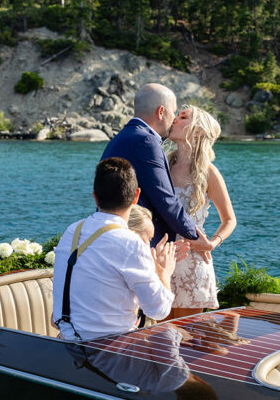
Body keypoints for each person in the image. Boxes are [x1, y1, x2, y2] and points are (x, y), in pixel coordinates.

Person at [51, 158, 177, 341]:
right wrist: (164, 273)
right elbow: (159, 310)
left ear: (95, 196)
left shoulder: (73, 231)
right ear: (136, 196)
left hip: (66, 345)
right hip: (110, 352)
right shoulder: (130, 243)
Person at [102, 83, 215, 255]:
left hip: (112, 235)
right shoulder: (147, 141)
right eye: (173, 112)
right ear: (161, 112)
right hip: (137, 242)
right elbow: (165, 200)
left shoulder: (121, 138)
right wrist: (196, 236)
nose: (174, 119)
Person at [165, 104, 237, 319]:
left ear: (198, 130)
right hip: (162, 259)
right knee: (160, 336)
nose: (174, 119)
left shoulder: (208, 172)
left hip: (192, 263)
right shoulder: (162, 165)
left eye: (183, 117)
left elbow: (229, 219)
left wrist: (212, 243)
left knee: (188, 338)